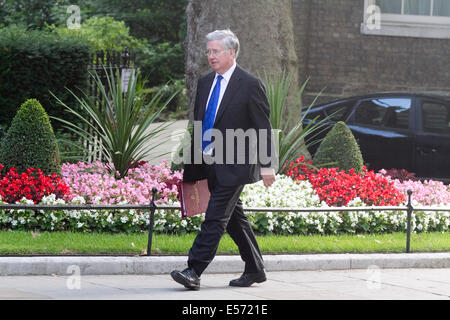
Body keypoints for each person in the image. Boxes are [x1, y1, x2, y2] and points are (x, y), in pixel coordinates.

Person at [170, 29, 277, 290]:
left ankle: (194, 270)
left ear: (231, 52)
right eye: (208, 51)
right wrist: (190, 157)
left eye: (215, 51)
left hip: (234, 165)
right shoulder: (206, 82)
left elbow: (263, 127)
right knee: (235, 220)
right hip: (207, 162)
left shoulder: (250, 84)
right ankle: (255, 269)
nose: (210, 56)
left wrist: (267, 164)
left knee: (216, 217)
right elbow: (198, 123)